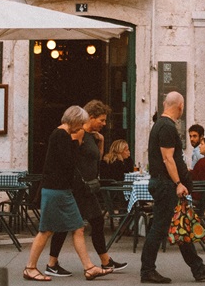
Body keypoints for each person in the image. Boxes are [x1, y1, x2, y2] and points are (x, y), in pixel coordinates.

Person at [22, 106, 112, 282]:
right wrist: (76, 142)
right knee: (46, 231)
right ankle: (30, 267)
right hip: (56, 190)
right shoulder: (61, 135)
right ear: (73, 121)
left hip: (60, 190)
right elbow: (68, 163)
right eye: (79, 124)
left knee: (77, 227)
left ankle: (89, 267)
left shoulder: (60, 135)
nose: (80, 128)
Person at [140, 92, 205, 284]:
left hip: (165, 183)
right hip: (166, 184)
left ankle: (197, 268)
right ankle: (147, 270)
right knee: (159, 227)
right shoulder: (166, 127)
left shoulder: (161, 125)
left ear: (164, 104)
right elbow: (168, 159)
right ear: (180, 106)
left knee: (181, 224)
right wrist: (178, 183)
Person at [45, 100, 127, 278]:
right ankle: (52, 263)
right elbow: (71, 157)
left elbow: (96, 160)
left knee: (95, 221)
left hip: (88, 188)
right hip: (78, 188)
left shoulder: (93, 136)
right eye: (102, 120)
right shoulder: (79, 132)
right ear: (91, 117)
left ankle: (105, 260)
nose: (104, 124)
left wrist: (101, 141)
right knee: (67, 225)